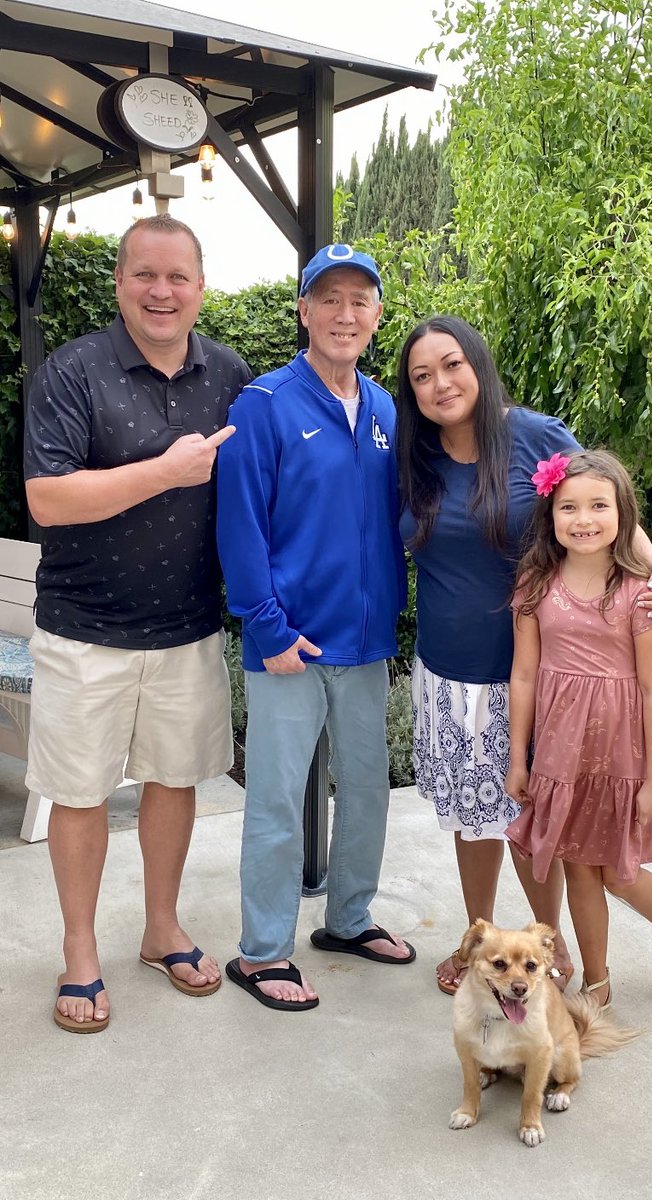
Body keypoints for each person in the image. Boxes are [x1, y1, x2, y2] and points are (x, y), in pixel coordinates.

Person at [395, 316, 652, 996]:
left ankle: (547, 951)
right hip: (448, 675)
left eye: (452, 364)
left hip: (537, 678)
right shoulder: (414, 454)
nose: (440, 384)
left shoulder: (535, 436)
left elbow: (603, 507)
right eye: (422, 376)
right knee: (474, 821)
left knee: (532, 822)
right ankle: (482, 944)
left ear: (478, 364)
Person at [24, 213, 251, 1033]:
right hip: (84, 629)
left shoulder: (230, 374)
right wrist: (165, 471)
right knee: (80, 794)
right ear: (120, 282)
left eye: (177, 276)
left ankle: (161, 930)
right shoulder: (72, 372)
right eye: (145, 275)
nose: (162, 291)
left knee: (174, 779)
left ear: (201, 287)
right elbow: (48, 499)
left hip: (187, 627)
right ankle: (80, 952)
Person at [216, 243, 414, 1012]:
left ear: (376, 316)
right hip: (288, 646)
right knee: (274, 802)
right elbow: (240, 525)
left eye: (359, 300)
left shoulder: (388, 409)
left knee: (367, 791)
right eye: (329, 298)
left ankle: (349, 920)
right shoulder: (264, 403)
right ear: (304, 311)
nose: (344, 313)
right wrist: (266, 628)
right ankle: (263, 952)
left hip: (366, 645)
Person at [505, 449, 652, 1007]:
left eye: (599, 505)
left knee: (619, 873)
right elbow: (524, 675)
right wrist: (519, 759)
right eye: (568, 507)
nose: (584, 519)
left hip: (622, 756)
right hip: (560, 757)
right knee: (578, 870)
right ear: (550, 515)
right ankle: (597, 983)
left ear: (624, 514)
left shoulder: (643, 592)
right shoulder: (536, 583)